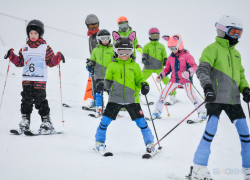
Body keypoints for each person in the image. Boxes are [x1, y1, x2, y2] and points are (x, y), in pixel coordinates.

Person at [189, 15, 250, 180]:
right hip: (215, 98)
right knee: (210, 130)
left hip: (234, 100)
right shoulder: (212, 49)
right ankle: (199, 169)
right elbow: (202, 70)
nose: (236, 37)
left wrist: (245, 89)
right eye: (233, 32)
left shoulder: (236, 54)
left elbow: (241, 76)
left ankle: (248, 169)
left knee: (246, 134)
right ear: (223, 31)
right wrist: (208, 87)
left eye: (239, 33)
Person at [94, 31, 155, 156]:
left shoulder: (135, 66)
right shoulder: (112, 66)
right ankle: (99, 142)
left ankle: (150, 144)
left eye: (127, 52)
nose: (124, 55)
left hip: (132, 99)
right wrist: (102, 85)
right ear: (116, 51)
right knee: (105, 121)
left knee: (142, 123)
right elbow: (108, 82)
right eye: (121, 52)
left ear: (132, 52)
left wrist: (144, 85)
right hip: (114, 99)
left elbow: (139, 80)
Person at [4, 19, 65, 134]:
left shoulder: (45, 47)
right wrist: (12, 56)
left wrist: (57, 58)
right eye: (31, 33)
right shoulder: (24, 48)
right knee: (26, 100)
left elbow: (50, 62)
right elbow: (20, 62)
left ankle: (47, 122)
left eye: (35, 33)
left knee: (40, 100)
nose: (32, 35)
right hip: (27, 79)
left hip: (40, 80)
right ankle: (25, 121)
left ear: (40, 34)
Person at [151, 34, 206, 120]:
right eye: (170, 48)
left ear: (180, 45)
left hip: (186, 80)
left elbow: (194, 66)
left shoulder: (187, 56)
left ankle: (202, 111)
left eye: (174, 48)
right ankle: (157, 111)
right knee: (163, 93)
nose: (172, 50)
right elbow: (167, 69)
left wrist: (189, 72)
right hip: (174, 80)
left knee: (191, 96)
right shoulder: (170, 57)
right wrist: (161, 75)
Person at [141, 27, 178, 105]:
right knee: (140, 79)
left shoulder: (161, 46)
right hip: (148, 67)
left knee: (167, 81)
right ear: (149, 36)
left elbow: (164, 54)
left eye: (156, 36)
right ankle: (136, 96)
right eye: (153, 36)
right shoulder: (147, 46)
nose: (155, 38)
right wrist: (144, 59)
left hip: (159, 67)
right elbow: (144, 53)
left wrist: (165, 60)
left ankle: (173, 96)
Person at [86, 29, 114, 117]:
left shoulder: (112, 49)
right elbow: (92, 60)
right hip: (98, 74)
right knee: (98, 91)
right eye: (103, 38)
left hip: (110, 76)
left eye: (107, 38)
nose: (105, 41)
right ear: (99, 39)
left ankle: (112, 108)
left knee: (111, 92)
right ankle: (99, 107)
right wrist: (90, 64)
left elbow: (116, 61)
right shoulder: (95, 50)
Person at [83, 14, 100, 110]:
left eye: (95, 25)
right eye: (91, 25)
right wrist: (91, 60)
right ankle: (95, 102)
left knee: (101, 85)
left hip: (101, 65)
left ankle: (105, 105)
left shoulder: (99, 35)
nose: (94, 27)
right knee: (94, 83)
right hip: (94, 64)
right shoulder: (91, 37)